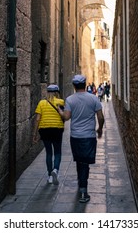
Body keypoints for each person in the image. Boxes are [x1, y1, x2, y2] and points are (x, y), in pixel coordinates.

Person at [58, 75, 104, 203]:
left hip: (75, 137)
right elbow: (100, 117)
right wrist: (100, 129)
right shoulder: (93, 98)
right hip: (89, 136)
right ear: (84, 84)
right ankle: (83, 190)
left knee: (80, 161)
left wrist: (59, 111)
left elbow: (66, 117)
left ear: (74, 86)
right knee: (84, 163)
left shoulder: (70, 100)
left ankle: (81, 184)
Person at [32, 84, 64, 185]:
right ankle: (55, 170)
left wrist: (34, 134)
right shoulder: (61, 102)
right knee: (57, 152)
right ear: (57, 92)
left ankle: (50, 176)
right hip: (57, 129)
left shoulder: (41, 103)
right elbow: (63, 115)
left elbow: (37, 119)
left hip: (44, 130)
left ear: (47, 92)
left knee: (49, 152)